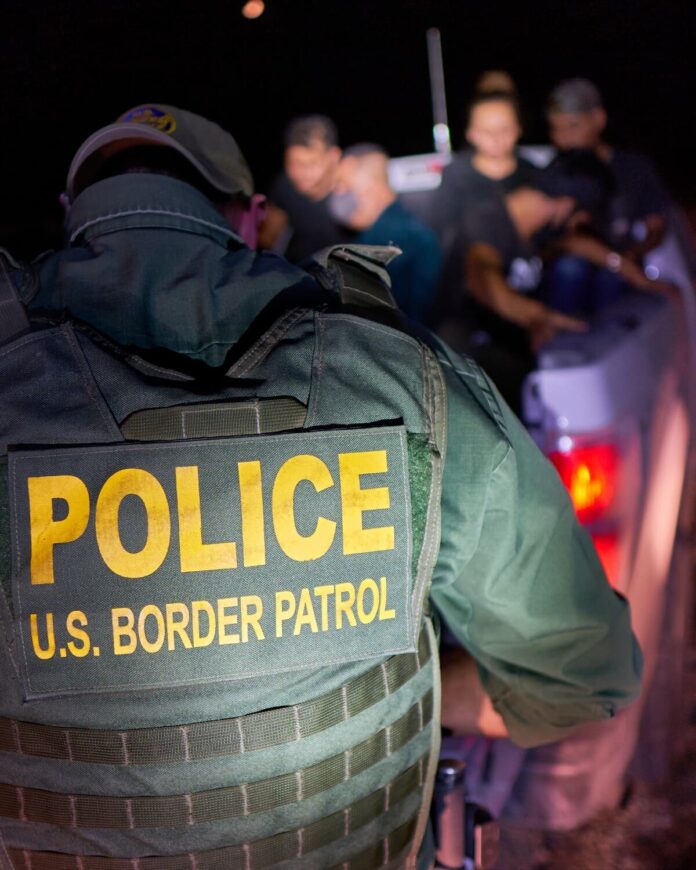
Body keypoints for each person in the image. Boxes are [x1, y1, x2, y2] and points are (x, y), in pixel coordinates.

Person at [0, 103, 641, 869]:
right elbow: (582, 675)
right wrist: (413, 690)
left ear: (72, 213)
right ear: (251, 217)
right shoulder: (399, 370)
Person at [546, 78, 670, 265]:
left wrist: (631, 256)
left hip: (625, 264)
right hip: (572, 266)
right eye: (555, 128)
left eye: (573, 126)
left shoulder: (634, 167)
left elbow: (657, 227)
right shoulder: (551, 172)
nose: (563, 138)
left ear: (598, 118)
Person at [330, 143, 442, 321]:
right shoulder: (386, 233)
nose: (337, 192)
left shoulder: (397, 240)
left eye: (343, 184)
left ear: (369, 185)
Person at [257, 113, 354, 261]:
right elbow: (268, 237)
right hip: (296, 267)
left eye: (310, 163)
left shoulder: (353, 193)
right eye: (293, 163)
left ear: (333, 156)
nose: (299, 173)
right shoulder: (284, 184)